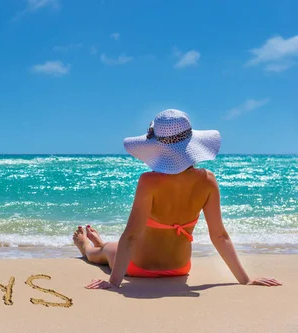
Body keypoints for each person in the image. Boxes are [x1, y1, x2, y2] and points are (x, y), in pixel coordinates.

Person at [74, 109, 282, 289]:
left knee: (102, 252)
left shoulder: (149, 181)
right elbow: (220, 236)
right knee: (115, 247)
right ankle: (101, 243)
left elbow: (130, 237)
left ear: (156, 146)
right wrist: (245, 280)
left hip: (137, 267)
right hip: (180, 268)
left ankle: (87, 245)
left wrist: (114, 283)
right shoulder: (208, 180)